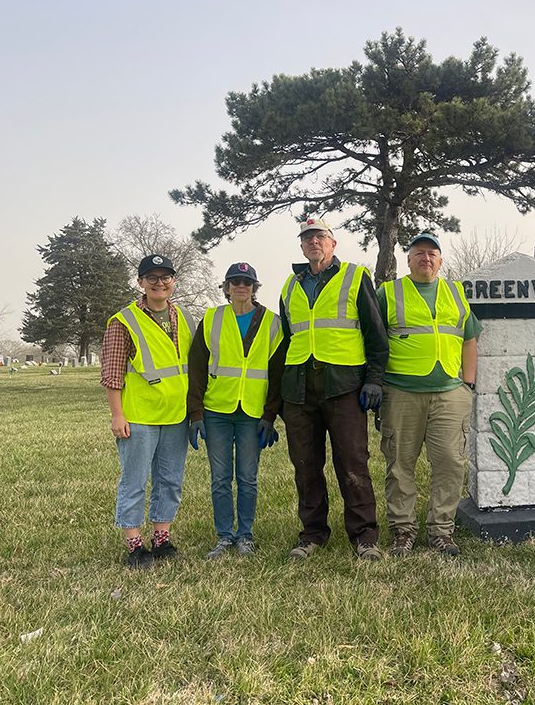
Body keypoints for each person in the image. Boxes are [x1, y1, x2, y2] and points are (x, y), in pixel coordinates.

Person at [266, 217, 389, 561]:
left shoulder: (354, 277)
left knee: (352, 463)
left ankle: (364, 536)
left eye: (320, 236)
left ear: (333, 244)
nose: (313, 242)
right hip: (300, 389)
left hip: (344, 387)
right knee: (305, 465)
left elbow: (376, 334)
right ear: (301, 246)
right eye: (307, 239)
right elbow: (288, 341)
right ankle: (312, 534)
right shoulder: (290, 286)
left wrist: (374, 378)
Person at [376, 233, 481, 557]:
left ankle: (441, 531)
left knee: (451, 463)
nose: (426, 258)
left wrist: (469, 383)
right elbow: (372, 339)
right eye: (418, 253)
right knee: (399, 465)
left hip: (450, 394)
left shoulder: (455, 293)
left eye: (432, 253)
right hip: (401, 393)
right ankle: (403, 531)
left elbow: (469, 338)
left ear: (440, 260)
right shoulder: (388, 293)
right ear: (408, 260)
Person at [101, 254, 195, 567]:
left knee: (170, 480)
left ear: (173, 281)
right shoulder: (123, 321)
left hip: (175, 415)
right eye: (151, 277)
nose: (159, 282)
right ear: (141, 282)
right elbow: (112, 372)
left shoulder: (183, 317)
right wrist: (117, 414)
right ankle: (134, 544)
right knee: (135, 482)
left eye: (165, 277)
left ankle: (162, 538)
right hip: (139, 416)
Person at [187, 262, 283, 559]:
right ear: (226, 288)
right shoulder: (213, 318)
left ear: (254, 288)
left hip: (252, 413)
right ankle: (224, 536)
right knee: (220, 477)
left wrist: (270, 414)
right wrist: (196, 412)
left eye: (247, 282)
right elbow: (197, 367)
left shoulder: (272, 322)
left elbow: (279, 373)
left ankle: (245, 536)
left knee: (247, 477)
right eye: (235, 282)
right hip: (217, 410)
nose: (241, 286)